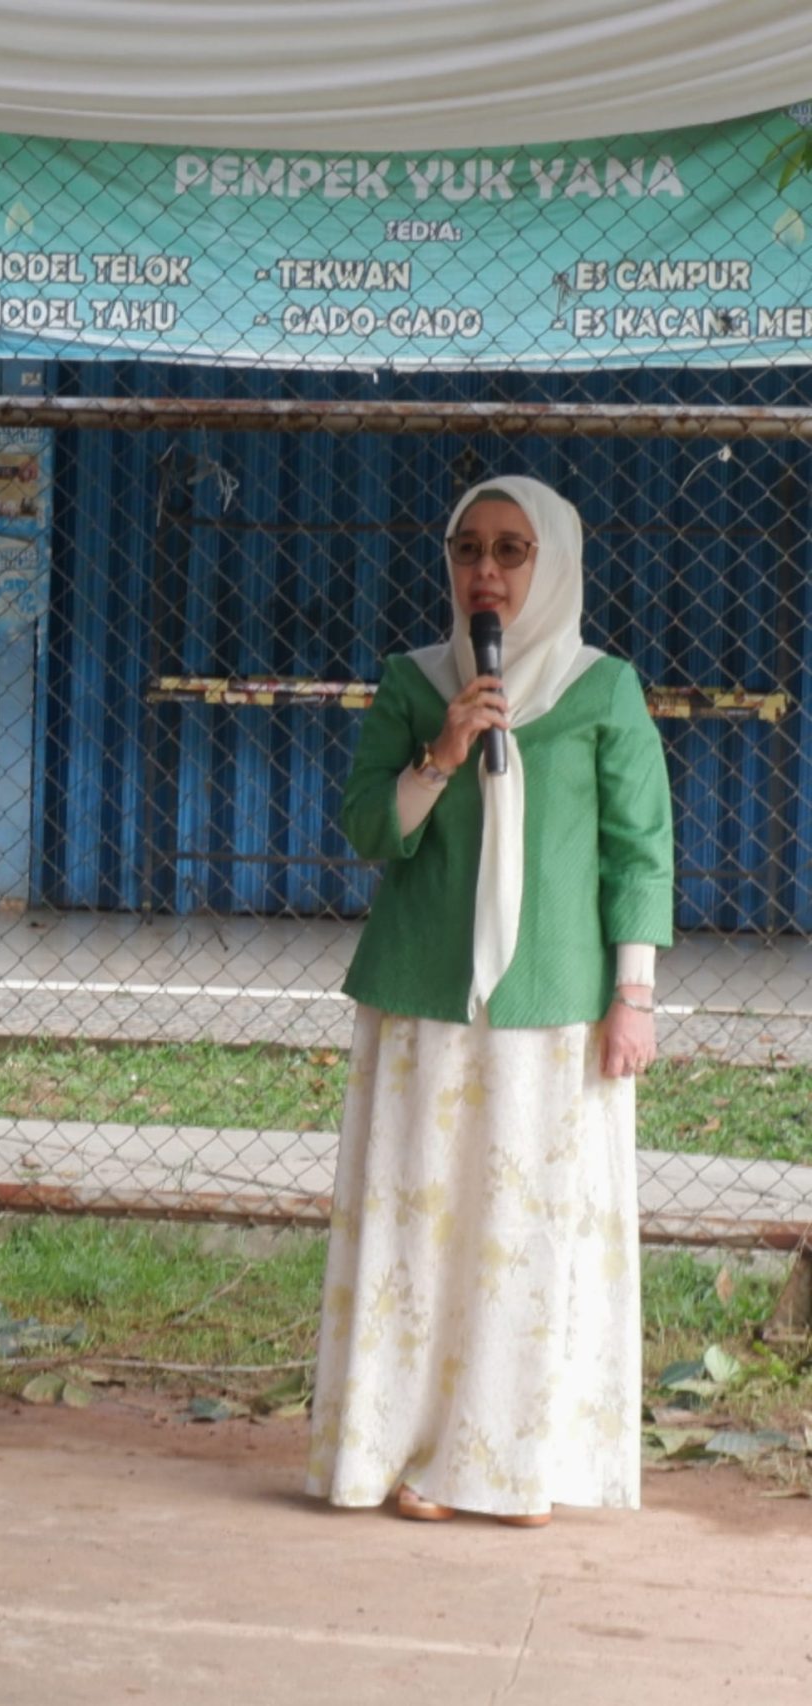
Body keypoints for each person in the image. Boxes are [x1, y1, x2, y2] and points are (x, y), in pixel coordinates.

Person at [311, 475, 673, 1528]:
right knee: (422, 1233)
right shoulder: (415, 682)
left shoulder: (604, 691)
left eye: (512, 550)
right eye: (468, 548)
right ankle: (408, 1452)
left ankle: (519, 1464)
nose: (486, 570)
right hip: (424, 997)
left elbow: (638, 852)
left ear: (551, 562)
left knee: (529, 1235)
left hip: (553, 1005)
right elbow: (370, 829)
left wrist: (635, 995)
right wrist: (442, 752)